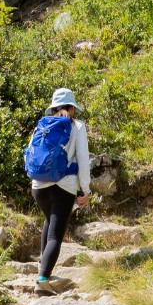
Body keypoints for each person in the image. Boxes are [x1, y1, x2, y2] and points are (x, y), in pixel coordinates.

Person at [24, 86, 91, 292]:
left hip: (39, 187)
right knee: (55, 235)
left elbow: (30, 153)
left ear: (53, 107)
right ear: (72, 108)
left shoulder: (41, 125)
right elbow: (82, 159)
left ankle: (43, 268)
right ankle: (42, 282)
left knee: (48, 221)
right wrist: (85, 190)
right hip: (64, 186)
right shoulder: (77, 126)